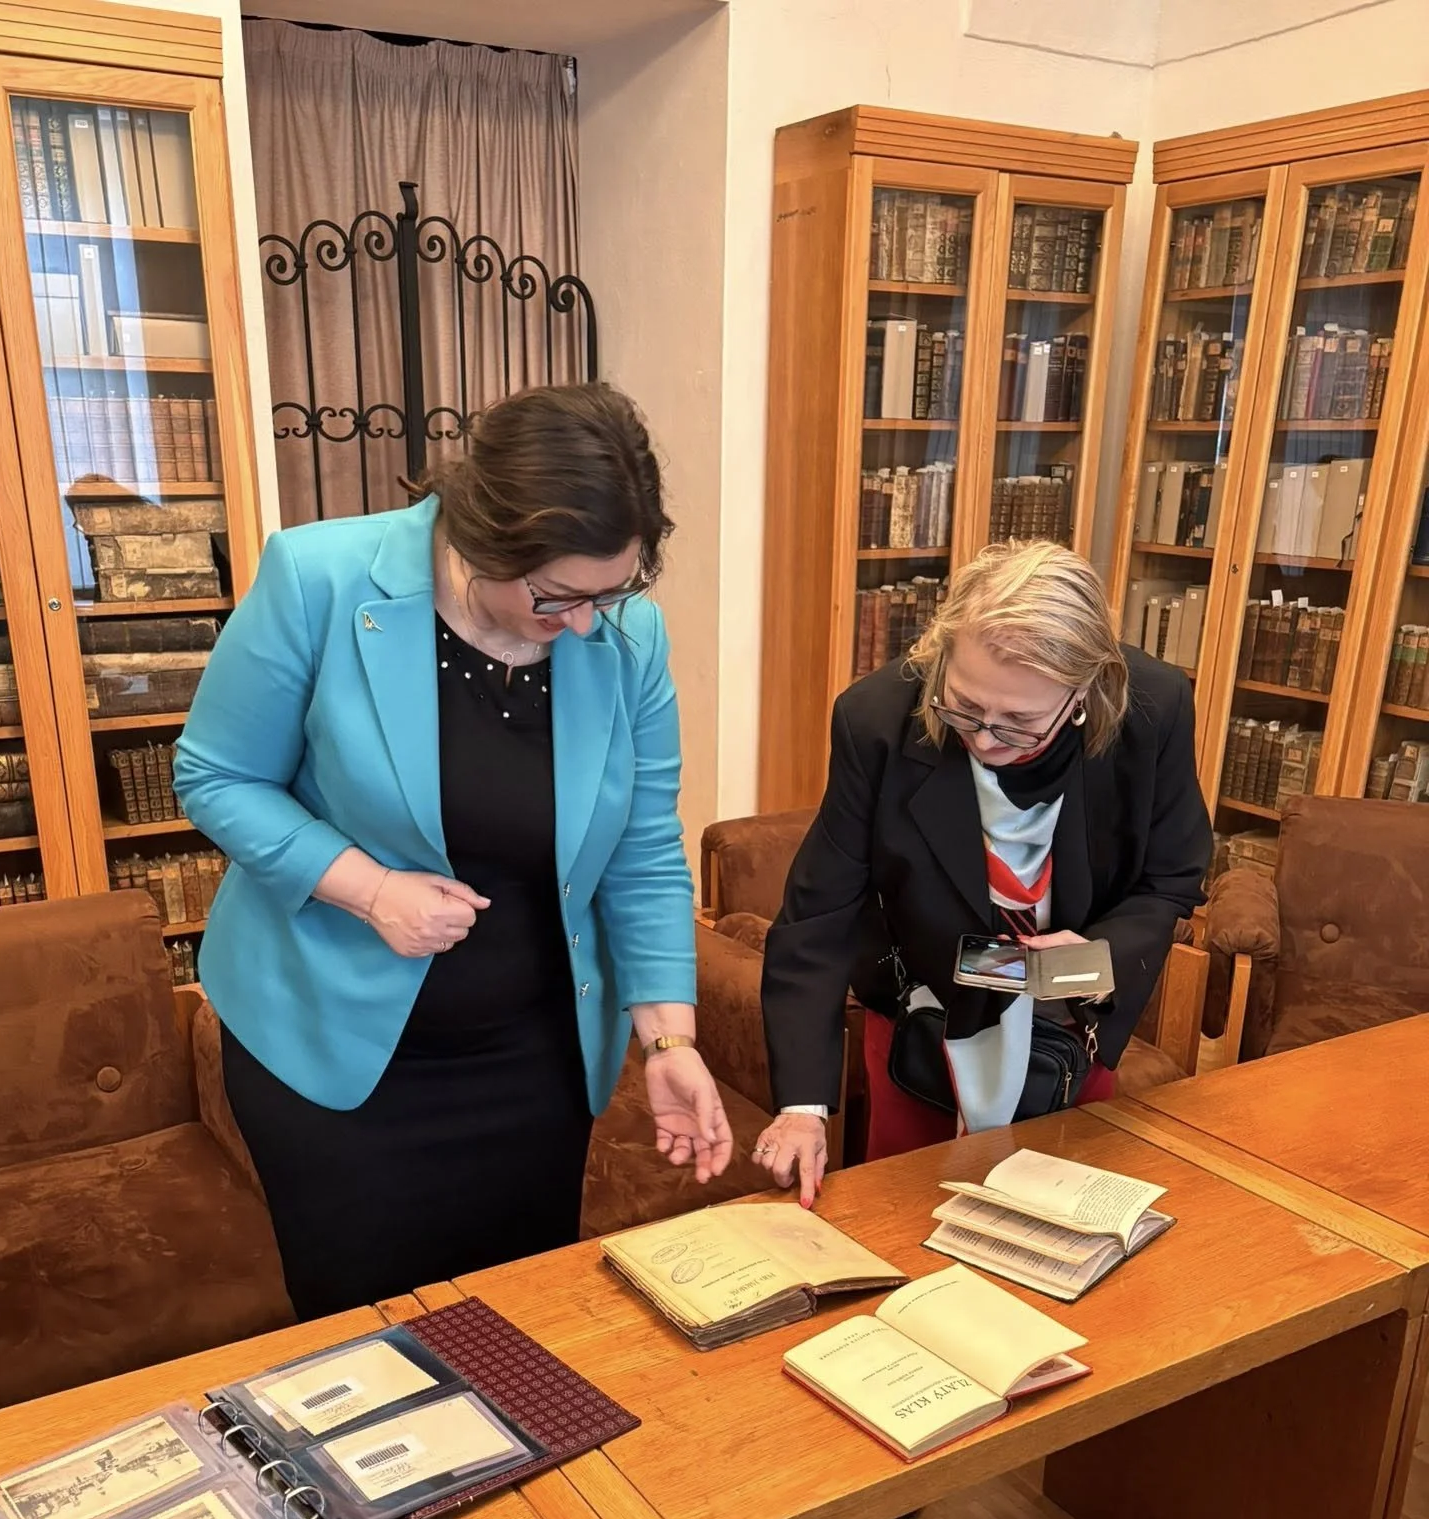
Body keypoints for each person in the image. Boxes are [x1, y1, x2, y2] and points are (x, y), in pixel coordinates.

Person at [174, 381, 732, 1318]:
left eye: (610, 592)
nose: (585, 623)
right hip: (333, 1054)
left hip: (533, 1060)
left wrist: (668, 1038)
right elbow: (217, 776)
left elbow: (643, 851)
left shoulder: (626, 633)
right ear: (482, 539)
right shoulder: (320, 580)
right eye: (556, 596)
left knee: (518, 1322)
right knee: (368, 1338)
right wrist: (369, 890)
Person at [753, 540, 1212, 1204]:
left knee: (1054, 1222)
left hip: (1066, 1027)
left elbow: (1171, 877)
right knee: (903, 1217)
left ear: (1083, 692)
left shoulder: (1154, 708)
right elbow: (818, 914)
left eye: (1020, 722)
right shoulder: (876, 720)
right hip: (924, 1018)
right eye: (963, 706)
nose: (986, 739)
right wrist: (802, 1106)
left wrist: (1094, 958)